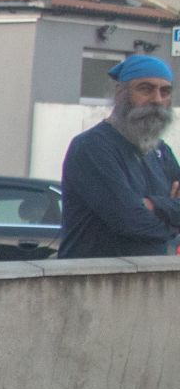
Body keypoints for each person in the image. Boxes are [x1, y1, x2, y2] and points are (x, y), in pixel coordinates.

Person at [58, 55, 180, 258]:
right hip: (93, 282)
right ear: (120, 93)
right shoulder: (91, 147)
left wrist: (153, 205)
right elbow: (131, 222)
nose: (157, 100)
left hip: (149, 281)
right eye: (145, 89)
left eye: (165, 91)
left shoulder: (161, 152)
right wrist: (173, 222)